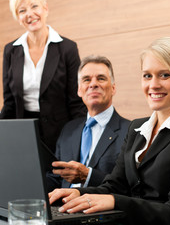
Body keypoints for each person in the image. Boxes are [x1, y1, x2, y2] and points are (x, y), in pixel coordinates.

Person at [49, 37, 170, 225]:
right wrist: (78, 193)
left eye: (164, 75)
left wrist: (116, 201)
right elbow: (115, 186)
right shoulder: (137, 129)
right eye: (147, 76)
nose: (153, 85)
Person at [0, 0, 86, 153]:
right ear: (18, 17)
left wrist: (79, 139)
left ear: (45, 8)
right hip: (22, 132)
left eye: (34, 6)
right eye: (22, 10)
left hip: (61, 132)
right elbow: (9, 102)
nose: (30, 14)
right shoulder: (10, 51)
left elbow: (76, 101)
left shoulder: (67, 48)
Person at [47, 55, 130, 191]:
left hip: (101, 209)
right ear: (79, 90)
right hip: (61, 208)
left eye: (101, 78)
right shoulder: (68, 129)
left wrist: (88, 176)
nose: (93, 84)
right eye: (87, 80)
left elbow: (129, 186)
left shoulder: (130, 132)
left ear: (113, 88)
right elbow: (55, 178)